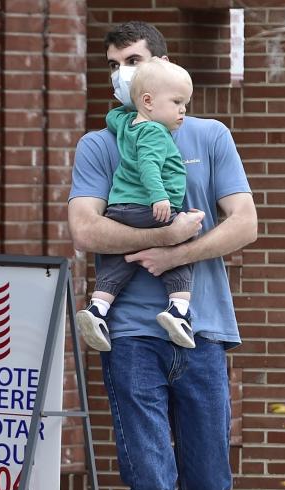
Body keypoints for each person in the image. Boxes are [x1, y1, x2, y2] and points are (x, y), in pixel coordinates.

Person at [68, 21, 257, 490]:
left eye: (135, 60)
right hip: (129, 335)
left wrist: (174, 245)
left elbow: (244, 225)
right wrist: (152, 243)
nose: (123, 72)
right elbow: (87, 232)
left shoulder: (209, 135)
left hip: (201, 328)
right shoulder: (99, 143)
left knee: (207, 484)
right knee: (152, 480)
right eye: (115, 64)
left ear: (161, 67)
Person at [76, 58, 196, 352]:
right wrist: (160, 197)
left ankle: (97, 309)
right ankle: (178, 310)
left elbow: (112, 117)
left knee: (121, 260)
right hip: (149, 206)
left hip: (121, 209)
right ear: (148, 101)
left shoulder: (126, 124)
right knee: (179, 245)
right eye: (178, 101)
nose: (183, 110)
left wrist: (130, 106)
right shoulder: (156, 132)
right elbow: (149, 165)